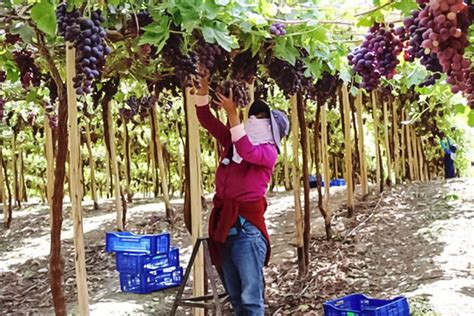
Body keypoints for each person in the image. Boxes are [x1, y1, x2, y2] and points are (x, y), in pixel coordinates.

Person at [194, 74, 289, 315]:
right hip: (226, 227)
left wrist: (233, 115)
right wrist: (203, 89)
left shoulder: (268, 153)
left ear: (272, 131)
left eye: (261, 118)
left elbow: (247, 151)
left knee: (250, 300)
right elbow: (205, 118)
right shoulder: (232, 141)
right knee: (236, 299)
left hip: (247, 232)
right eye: (253, 115)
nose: (254, 119)